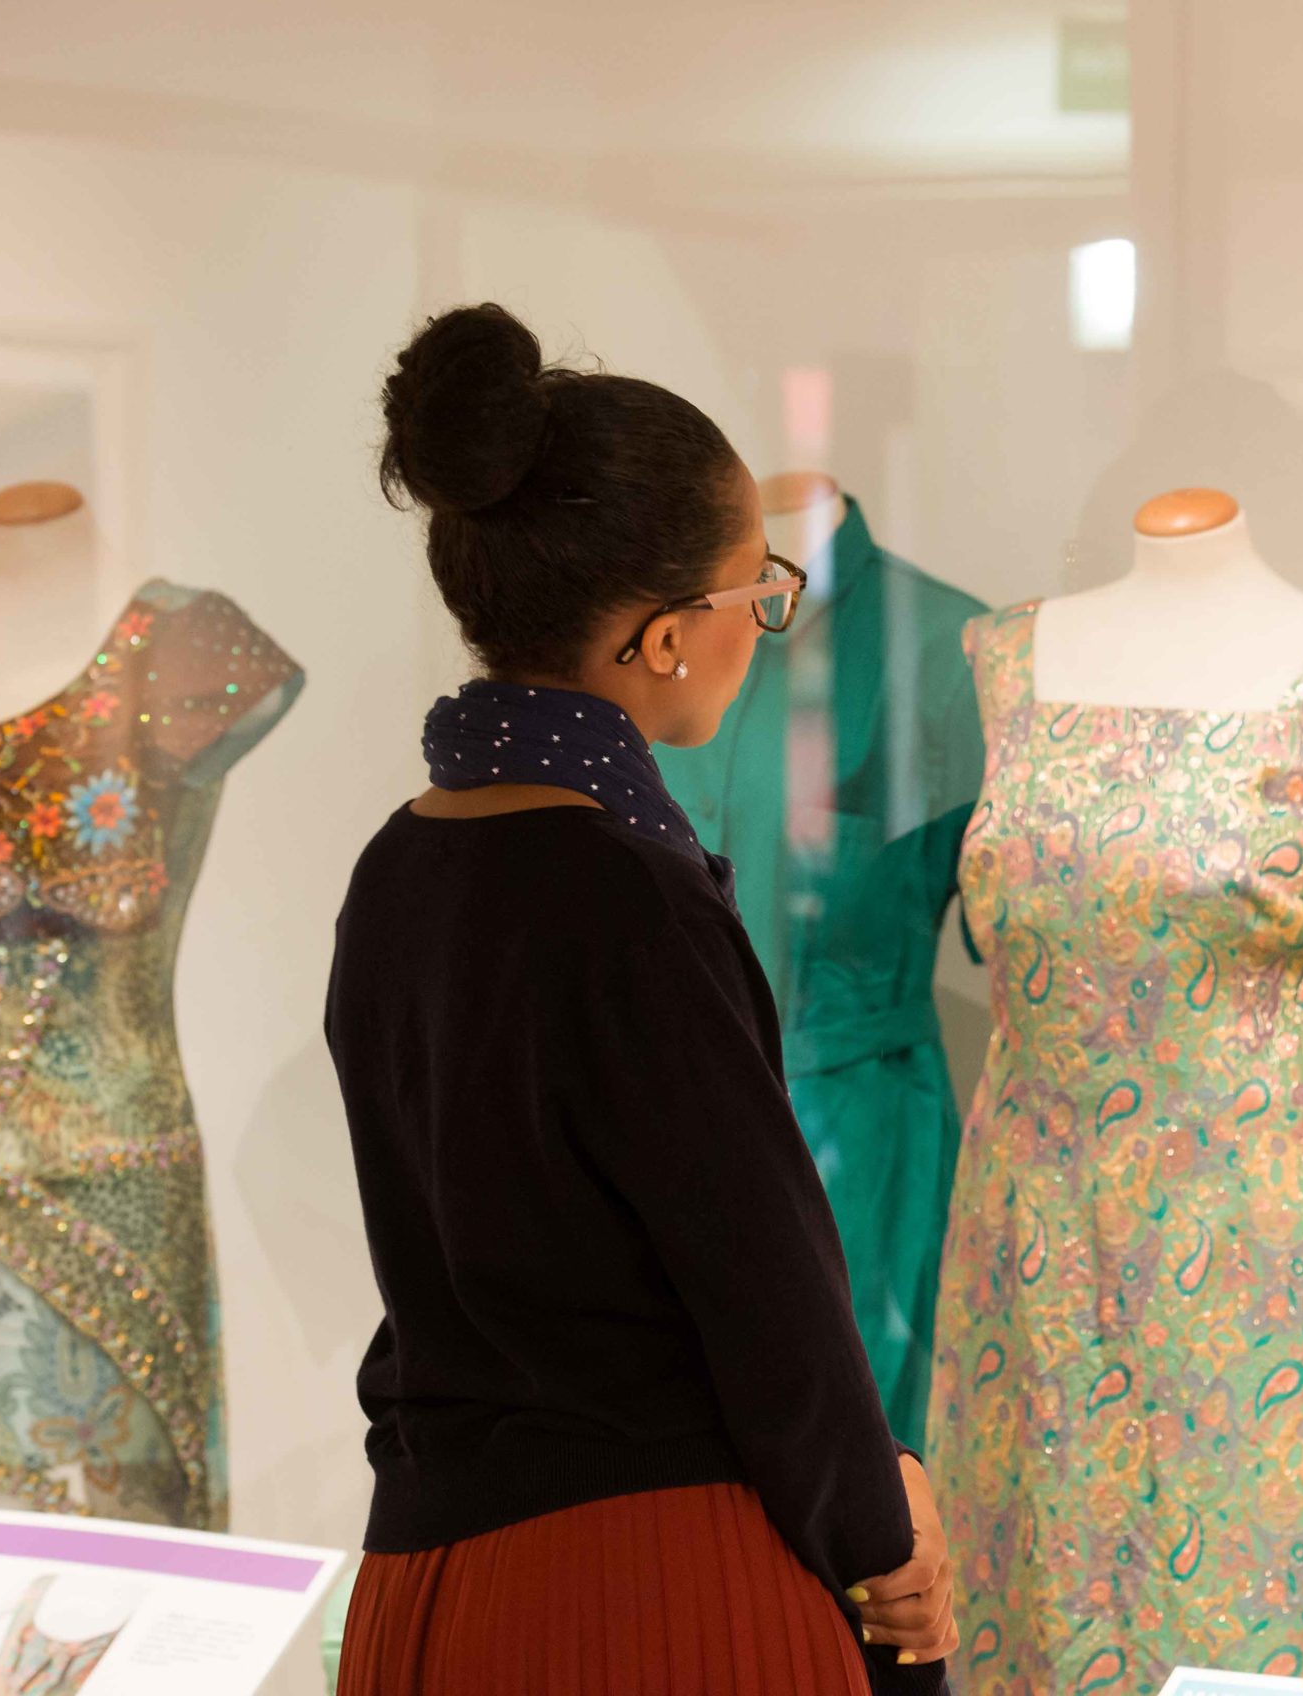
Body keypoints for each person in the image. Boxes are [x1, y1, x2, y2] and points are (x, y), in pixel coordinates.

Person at [328, 303, 955, 1695]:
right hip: (643, 1590)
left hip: (427, 1584)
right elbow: (764, 1294)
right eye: (758, 594)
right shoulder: (630, 895)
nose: (764, 626)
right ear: (669, 636)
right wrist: (882, 1530)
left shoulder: (400, 866)